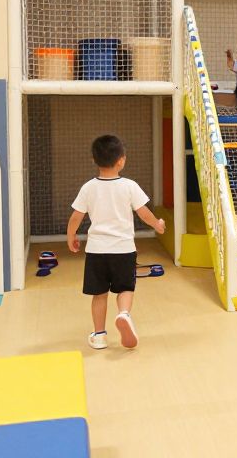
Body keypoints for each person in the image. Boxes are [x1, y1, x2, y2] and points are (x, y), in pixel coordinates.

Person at [67, 135, 165, 350]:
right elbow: (143, 213)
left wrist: (71, 235)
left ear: (94, 160)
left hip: (96, 251)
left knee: (99, 294)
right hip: (124, 249)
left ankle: (99, 335)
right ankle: (124, 314)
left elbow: (76, 217)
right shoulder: (129, 186)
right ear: (121, 160)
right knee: (126, 288)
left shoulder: (88, 188)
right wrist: (157, 224)